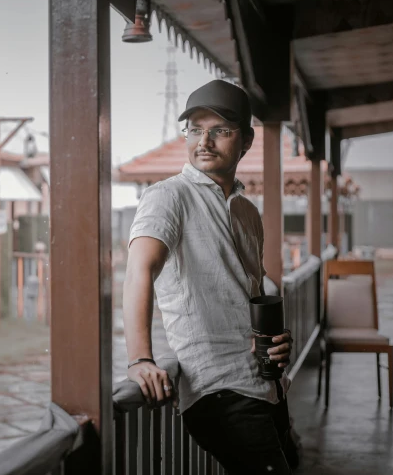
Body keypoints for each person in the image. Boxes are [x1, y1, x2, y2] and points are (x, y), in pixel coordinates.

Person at [123, 80, 296, 474]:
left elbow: (253, 289)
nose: (205, 140)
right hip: (218, 388)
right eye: (196, 129)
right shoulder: (168, 197)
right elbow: (138, 272)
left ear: (246, 141)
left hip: (267, 385)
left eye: (220, 130)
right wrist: (140, 358)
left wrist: (278, 338)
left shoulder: (248, 212)